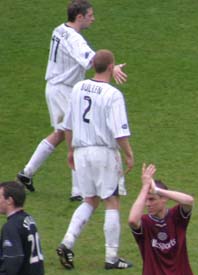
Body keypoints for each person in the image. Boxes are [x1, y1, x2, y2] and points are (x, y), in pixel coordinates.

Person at [17, 0, 127, 201]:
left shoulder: (59, 29)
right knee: (75, 134)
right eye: (90, 15)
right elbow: (92, 60)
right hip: (63, 89)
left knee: (60, 133)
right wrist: (113, 67)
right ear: (79, 16)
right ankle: (78, 190)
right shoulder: (75, 40)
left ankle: (27, 172)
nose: (93, 18)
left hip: (56, 86)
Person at [57, 49, 134, 271]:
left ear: (93, 66)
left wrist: (70, 151)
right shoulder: (113, 95)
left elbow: (68, 125)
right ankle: (111, 257)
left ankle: (67, 242)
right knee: (111, 200)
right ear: (111, 67)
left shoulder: (78, 88)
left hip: (81, 151)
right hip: (103, 152)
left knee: (89, 199)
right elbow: (120, 132)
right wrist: (129, 155)